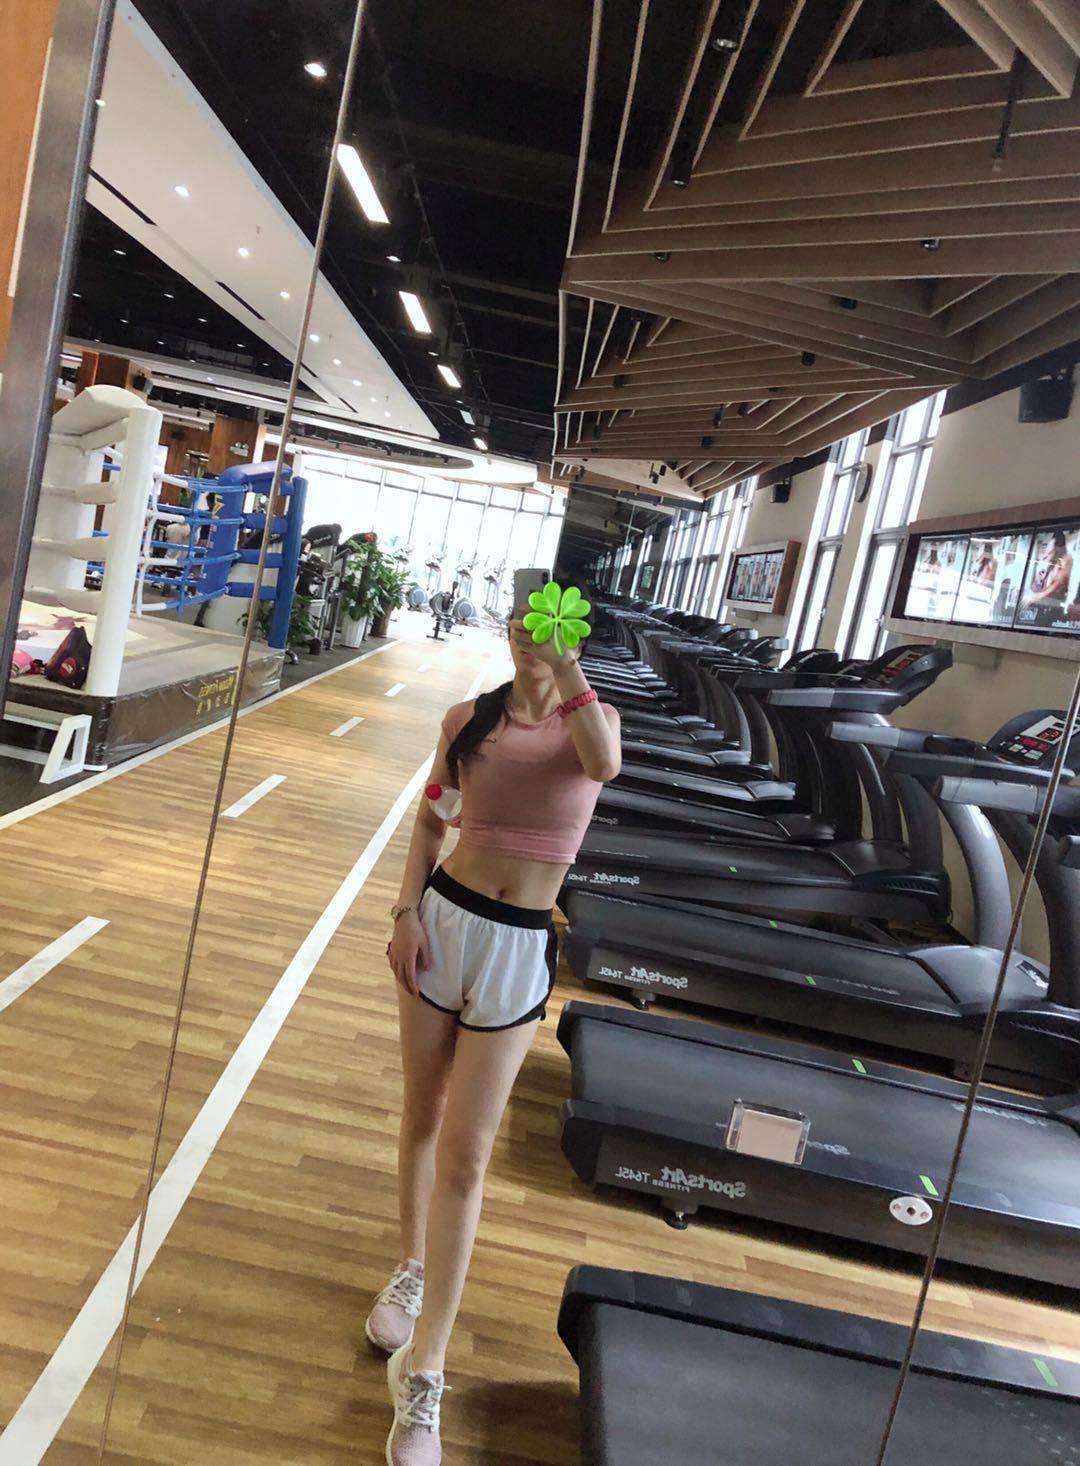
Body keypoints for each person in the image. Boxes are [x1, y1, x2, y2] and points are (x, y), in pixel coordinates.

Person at [368, 609, 621, 1465]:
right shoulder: (467, 721)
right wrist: (405, 911)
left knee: (470, 1155)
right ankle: (411, 1267)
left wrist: (566, 668)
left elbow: (603, 765)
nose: (527, 632)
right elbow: (430, 821)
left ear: (572, 633)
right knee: (422, 1117)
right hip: (445, 923)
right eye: (518, 621)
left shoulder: (594, 721)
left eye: (544, 621)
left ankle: (425, 1368)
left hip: (519, 946)